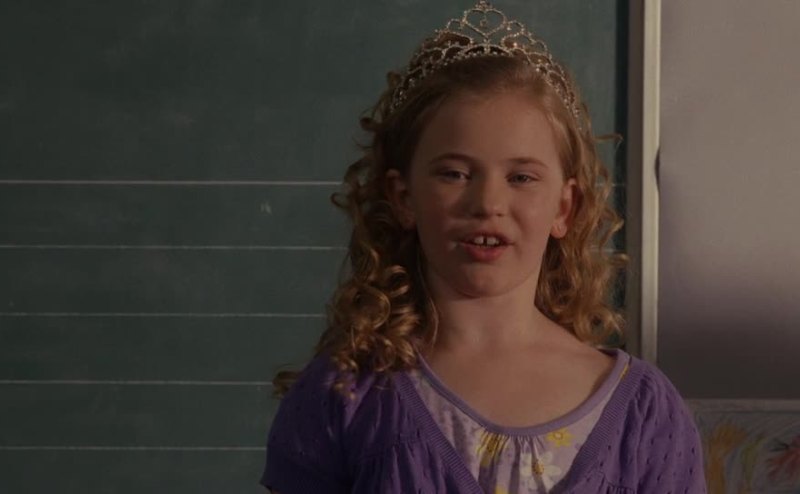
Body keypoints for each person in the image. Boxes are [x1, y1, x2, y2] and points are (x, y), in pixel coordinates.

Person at [261, 1, 705, 492]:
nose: (488, 203)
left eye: (521, 177)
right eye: (455, 174)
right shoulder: (345, 394)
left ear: (565, 207)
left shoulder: (644, 413)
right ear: (403, 198)